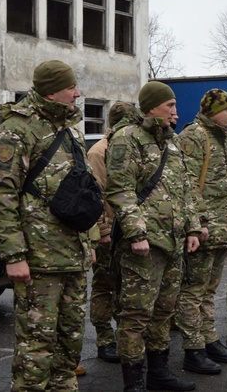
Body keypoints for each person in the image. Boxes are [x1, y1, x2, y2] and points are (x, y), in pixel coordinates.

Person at [0, 60, 92, 391]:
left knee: (69, 346)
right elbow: (0, 196)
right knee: (36, 351)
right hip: (38, 261)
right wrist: (14, 255)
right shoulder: (17, 129)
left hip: (73, 256)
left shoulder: (71, 130)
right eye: (71, 87)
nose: (77, 93)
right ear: (52, 91)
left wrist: (89, 242)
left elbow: (83, 189)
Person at [106, 81, 202, 391]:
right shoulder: (127, 139)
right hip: (144, 245)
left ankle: (159, 373)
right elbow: (120, 190)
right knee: (135, 315)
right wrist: (135, 233)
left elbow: (184, 190)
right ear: (151, 108)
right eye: (169, 105)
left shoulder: (170, 143)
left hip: (172, 243)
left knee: (163, 311)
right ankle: (133, 382)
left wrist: (192, 227)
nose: (175, 111)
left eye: (175, 105)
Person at [175, 89, 227, 375]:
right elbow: (186, 184)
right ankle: (193, 349)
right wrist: (197, 223)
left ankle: (209, 339)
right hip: (203, 230)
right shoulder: (194, 136)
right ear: (212, 110)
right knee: (193, 291)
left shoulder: (224, 138)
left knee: (209, 289)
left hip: (222, 228)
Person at [87, 101, 140, 365]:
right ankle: (104, 338)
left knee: (125, 289)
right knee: (104, 288)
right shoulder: (100, 151)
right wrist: (104, 230)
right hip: (109, 230)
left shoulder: (129, 146)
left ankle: (122, 337)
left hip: (127, 230)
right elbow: (95, 194)